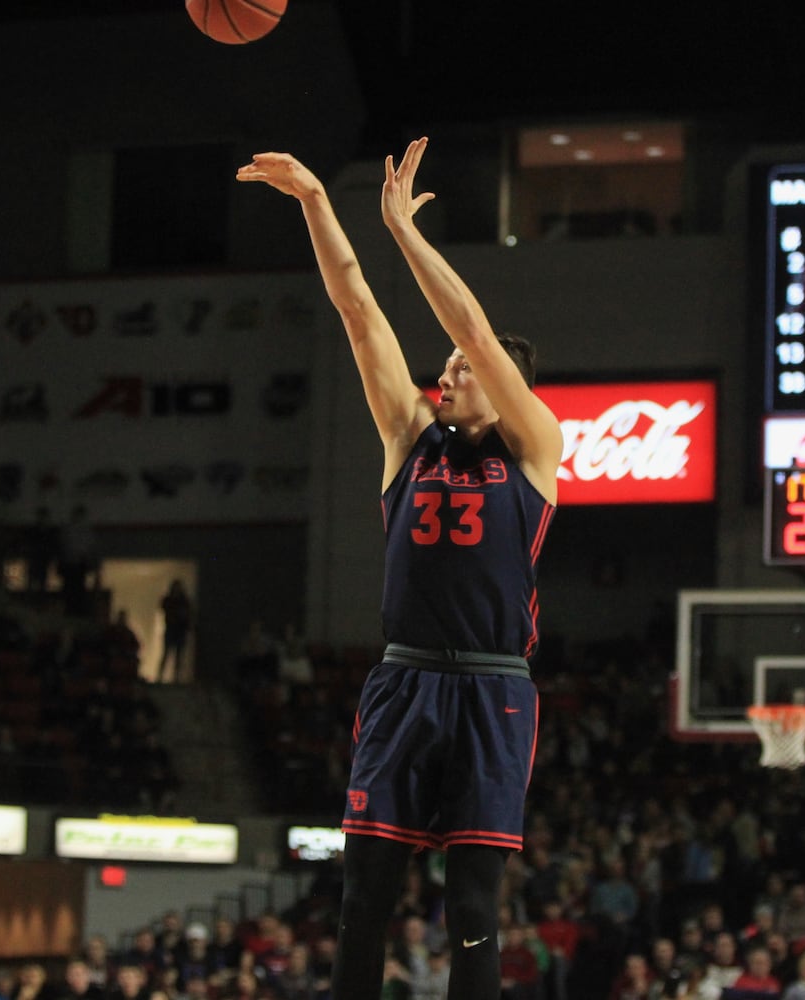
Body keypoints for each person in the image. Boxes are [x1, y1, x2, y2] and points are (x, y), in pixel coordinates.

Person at [237, 136, 561, 1000]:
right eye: (446, 369)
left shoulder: (535, 449)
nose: (446, 374)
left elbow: (469, 327)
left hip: (493, 686)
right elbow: (355, 309)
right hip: (404, 680)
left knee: (472, 905)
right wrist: (315, 201)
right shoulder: (406, 443)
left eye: (462, 370)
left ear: (506, 389)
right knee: (364, 895)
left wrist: (404, 233)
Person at [157, 580, 193, 683]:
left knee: (178, 656)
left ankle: (176, 678)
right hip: (170, 630)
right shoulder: (169, 600)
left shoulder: (183, 600)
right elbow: (163, 608)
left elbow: (187, 614)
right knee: (166, 654)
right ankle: (160, 676)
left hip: (179, 632)